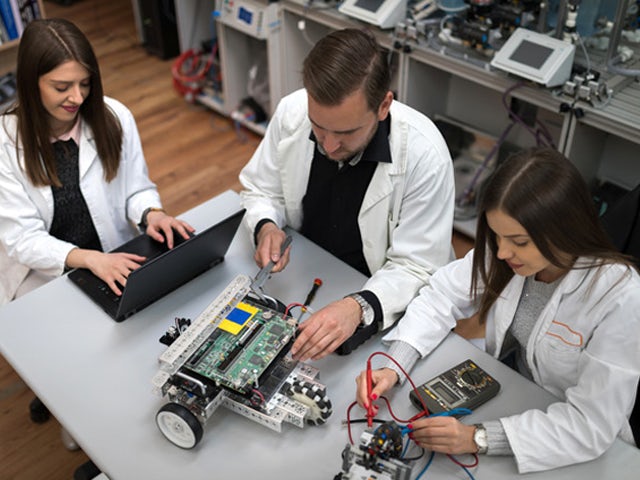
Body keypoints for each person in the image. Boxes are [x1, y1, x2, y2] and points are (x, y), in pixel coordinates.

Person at [356, 147, 640, 473]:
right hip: (512, 390)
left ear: (564, 228)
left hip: (571, 439)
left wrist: (477, 439)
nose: (502, 251)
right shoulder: (506, 252)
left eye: (519, 241)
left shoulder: (620, 296)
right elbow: (441, 295)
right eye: (496, 235)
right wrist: (395, 366)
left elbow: (590, 424)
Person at [239, 28, 455, 361]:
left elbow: (417, 267)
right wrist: (266, 225)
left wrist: (359, 305)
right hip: (303, 278)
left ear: (383, 105)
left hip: (379, 303)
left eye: (346, 132)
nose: (328, 145)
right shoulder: (292, 112)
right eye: (318, 127)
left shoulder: (425, 155)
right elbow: (261, 189)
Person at [0, 18, 193, 306]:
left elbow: (136, 189)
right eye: (62, 86)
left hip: (113, 258)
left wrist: (152, 214)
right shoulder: (4, 143)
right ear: (31, 83)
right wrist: (90, 259)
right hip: (43, 276)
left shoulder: (114, 117)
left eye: (85, 83)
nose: (77, 97)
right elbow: (23, 238)